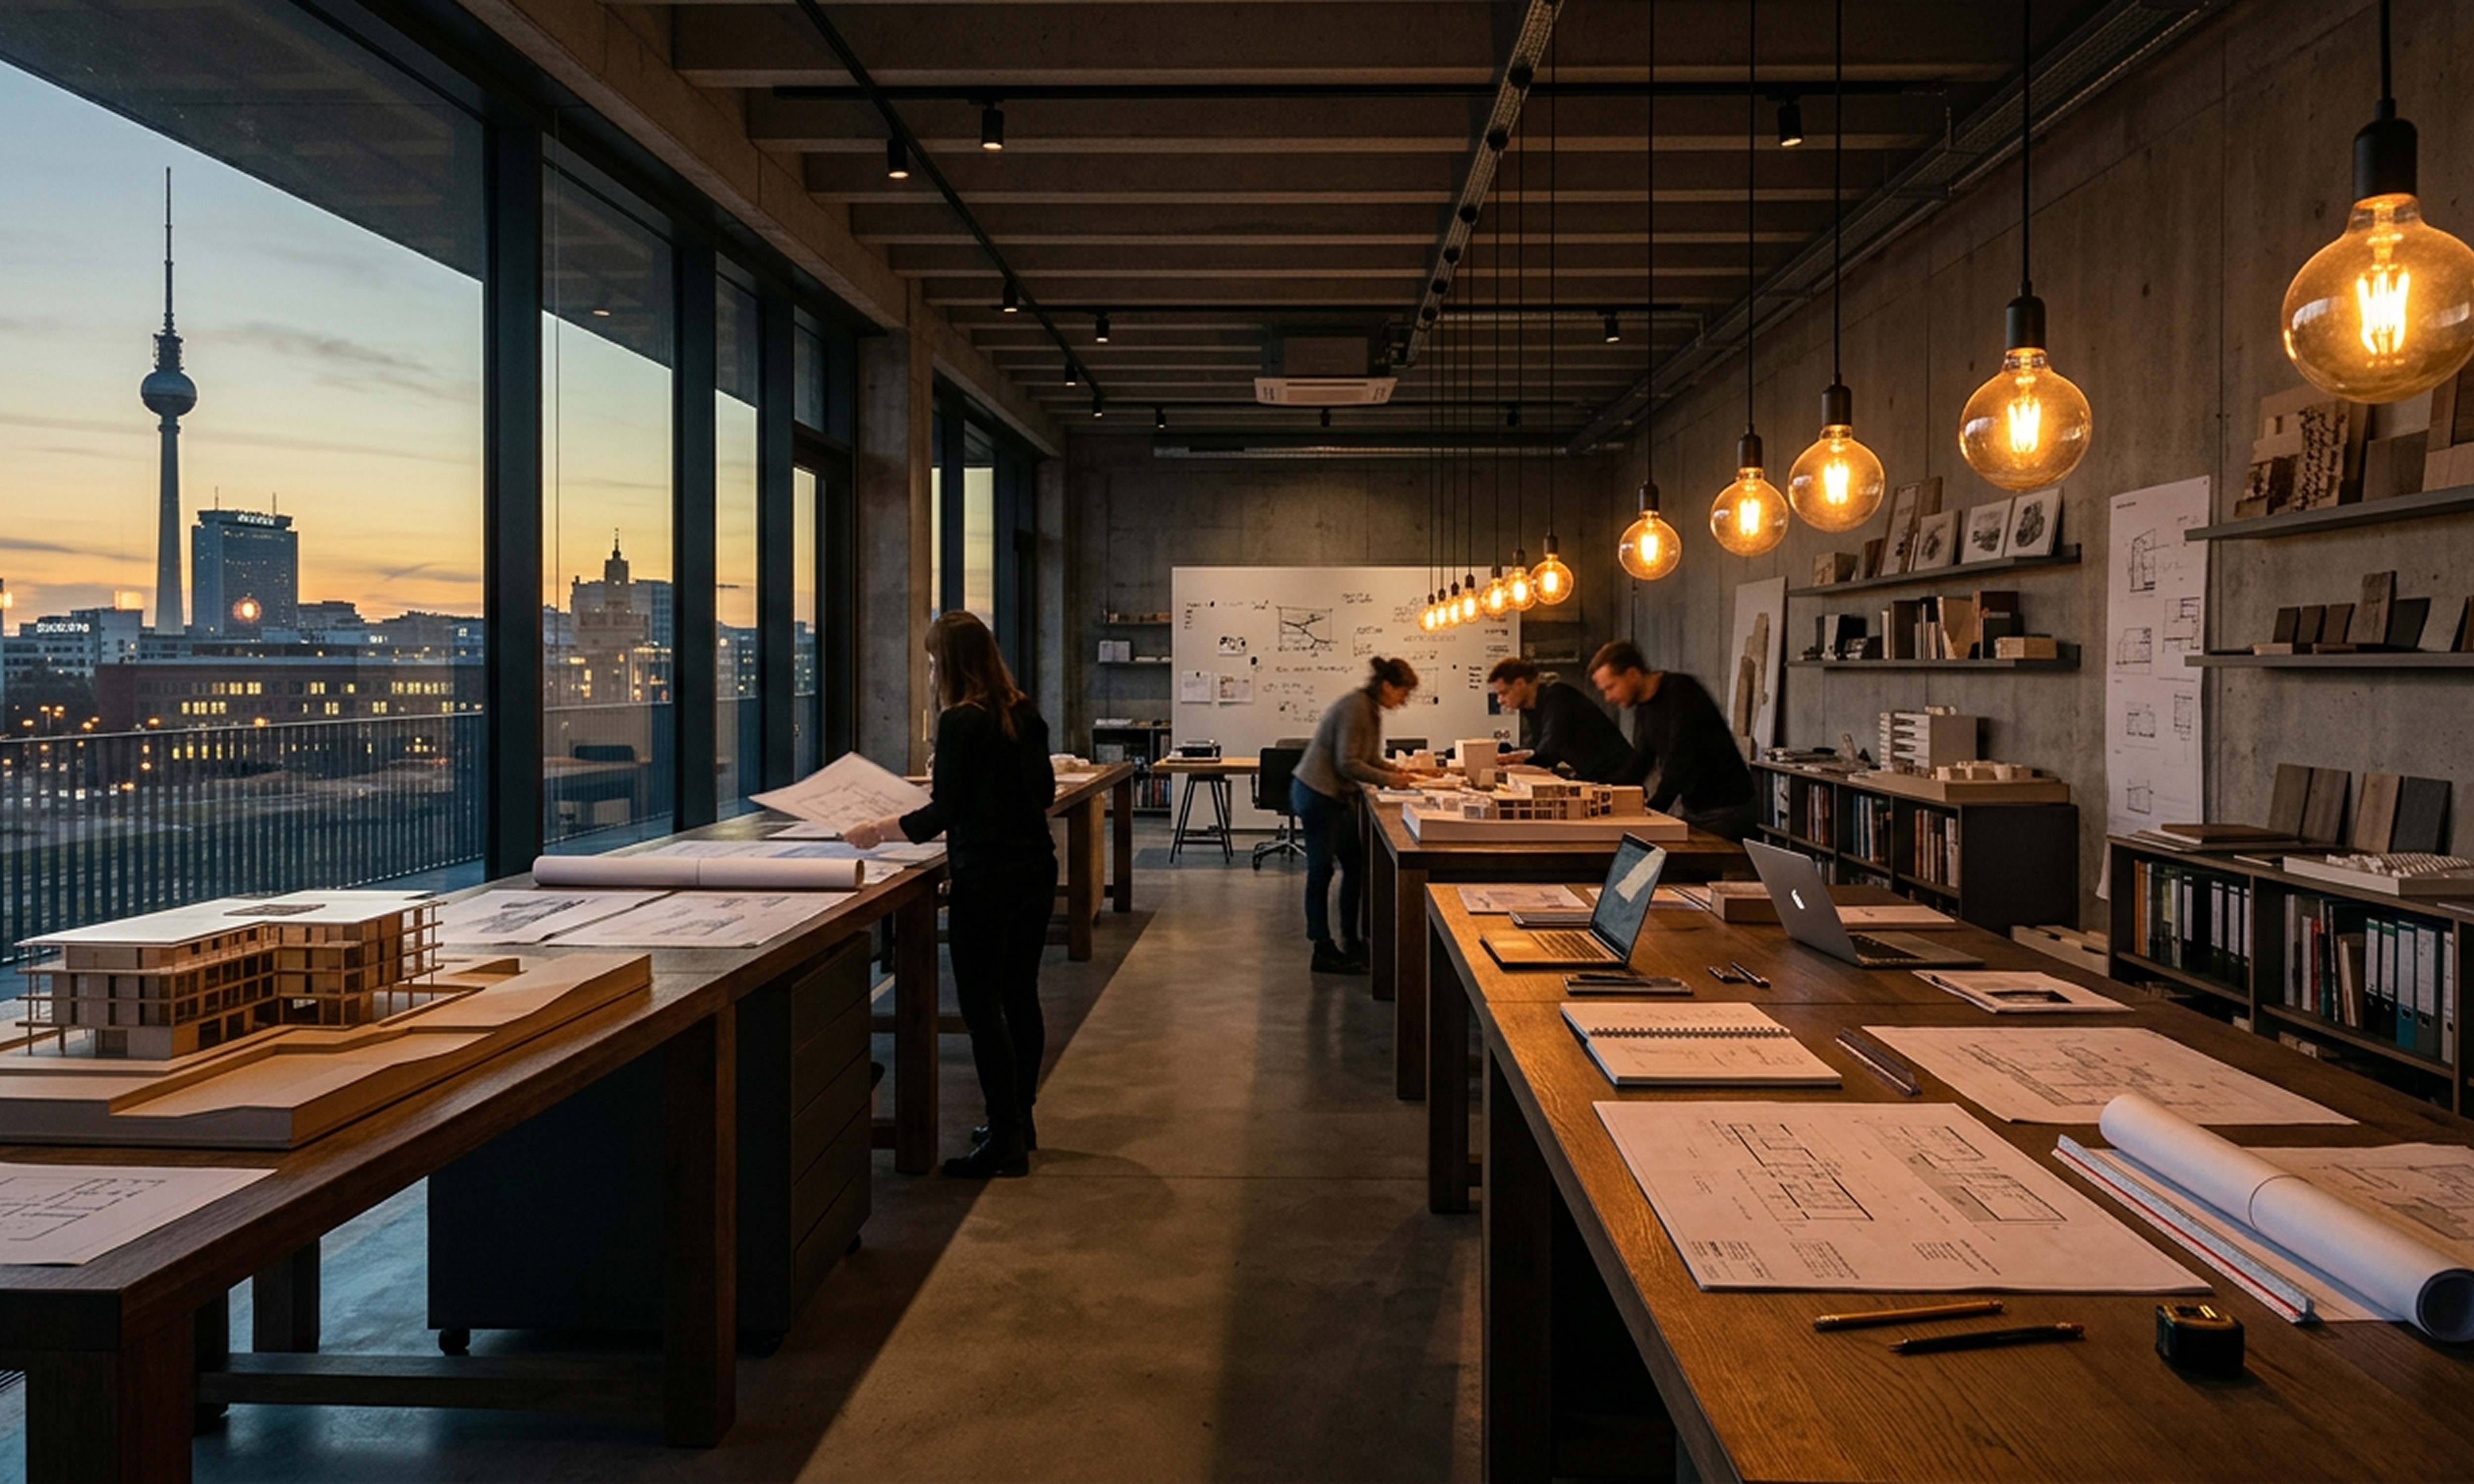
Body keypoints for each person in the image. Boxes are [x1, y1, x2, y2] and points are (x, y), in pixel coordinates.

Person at [847, 612, 1056, 1178]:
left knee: (982, 1008)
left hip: (984, 879)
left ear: (950, 663)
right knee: (1020, 996)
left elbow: (945, 812)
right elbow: (1041, 792)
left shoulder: (961, 722)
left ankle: (1005, 1142)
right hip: (1034, 871)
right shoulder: (1022, 710)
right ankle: (1019, 1120)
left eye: (934, 659)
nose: (931, 669)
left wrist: (877, 831)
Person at [1289, 656, 1429, 974]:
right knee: (1321, 871)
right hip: (1317, 794)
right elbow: (1348, 763)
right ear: (1387, 685)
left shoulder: (1370, 709)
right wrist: (1394, 780)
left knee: (1356, 867)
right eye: (1403, 693)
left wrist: (1400, 771)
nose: (1404, 701)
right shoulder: (1356, 708)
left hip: (1336, 797)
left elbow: (1368, 759)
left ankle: (1353, 942)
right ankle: (1322, 948)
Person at [1586, 640, 1758, 841]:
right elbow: (1641, 760)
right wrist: (1600, 793)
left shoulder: (1681, 691)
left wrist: (1653, 809)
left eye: (1611, 687)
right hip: (1696, 807)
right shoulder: (1644, 708)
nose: (1608, 698)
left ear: (1632, 674)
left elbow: (1682, 756)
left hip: (1726, 807)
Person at [1486, 656, 1633, 783]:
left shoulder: (1557, 696)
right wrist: (1511, 755)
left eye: (1504, 693)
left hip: (1619, 775)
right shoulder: (1532, 708)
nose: (1500, 701)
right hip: (1598, 776)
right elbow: (1539, 747)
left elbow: (1550, 748)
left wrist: (1515, 760)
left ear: (1520, 684)